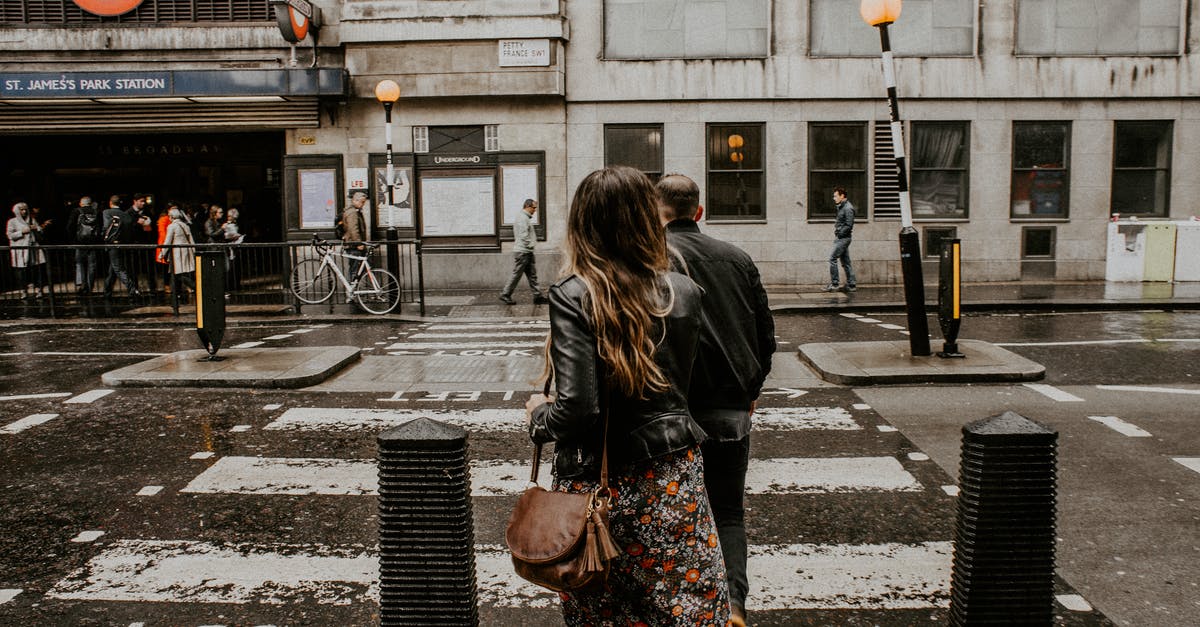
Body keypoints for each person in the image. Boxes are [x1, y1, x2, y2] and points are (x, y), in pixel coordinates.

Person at [524, 166, 730, 625]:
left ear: (582, 225)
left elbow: (578, 407)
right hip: (672, 477)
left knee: (604, 608)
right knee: (685, 603)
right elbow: (703, 381)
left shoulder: (575, 294)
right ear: (645, 219)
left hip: (599, 491)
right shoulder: (684, 291)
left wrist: (539, 417)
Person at [657, 173, 776, 626]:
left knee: (674, 512)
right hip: (731, 406)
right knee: (727, 511)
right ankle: (733, 607)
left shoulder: (653, 260)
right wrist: (751, 392)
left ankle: (681, 607)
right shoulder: (737, 258)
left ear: (656, 212)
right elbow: (765, 334)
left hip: (675, 411)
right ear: (699, 212)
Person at [499, 198, 548, 305]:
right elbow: (523, 236)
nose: (535, 210)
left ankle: (537, 296)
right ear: (527, 206)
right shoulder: (522, 218)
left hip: (526, 251)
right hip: (523, 252)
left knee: (532, 275)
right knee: (517, 274)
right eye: (534, 207)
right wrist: (530, 245)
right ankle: (505, 294)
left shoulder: (525, 218)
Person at [7, 202, 48, 299]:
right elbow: (10, 235)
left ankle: (39, 290)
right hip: (20, 250)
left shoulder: (32, 219)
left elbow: (40, 231)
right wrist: (22, 232)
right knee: (22, 271)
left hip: (33, 248)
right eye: (21, 209)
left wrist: (37, 228)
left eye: (25, 209)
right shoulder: (12, 221)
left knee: (37, 269)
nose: (24, 211)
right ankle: (23, 291)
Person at [102, 195, 139, 298]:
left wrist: (104, 237)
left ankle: (132, 289)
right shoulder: (126, 215)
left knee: (118, 268)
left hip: (112, 244)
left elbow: (106, 227)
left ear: (110, 203)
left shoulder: (107, 212)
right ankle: (107, 290)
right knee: (113, 268)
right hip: (123, 244)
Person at [823, 187, 857, 292]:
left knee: (832, 258)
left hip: (843, 238)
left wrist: (839, 233)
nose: (834, 198)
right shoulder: (842, 207)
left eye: (835, 196)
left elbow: (849, 224)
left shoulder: (848, 208)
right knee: (846, 261)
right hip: (843, 238)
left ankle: (835, 283)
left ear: (842, 196)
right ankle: (851, 284)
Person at [158, 206, 196, 301]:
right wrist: (194, 251)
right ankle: (176, 294)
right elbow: (191, 240)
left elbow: (167, 241)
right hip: (186, 251)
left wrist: (162, 253)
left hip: (177, 253)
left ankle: (195, 287)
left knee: (178, 274)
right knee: (178, 274)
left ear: (171, 217)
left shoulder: (172, 227)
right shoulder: (185, 225)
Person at [66, 196, 101, 293]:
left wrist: (73, 240)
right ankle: (90, 287)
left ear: (81, 203)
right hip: (93, 243)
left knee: (79, 263)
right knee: (92, 265)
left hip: (80, 242)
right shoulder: (96, 212)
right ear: (90, 203)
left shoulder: (77, 211)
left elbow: (70, 227)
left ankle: (82, 285)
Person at [128, 193, 156, 295]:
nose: (143, 203)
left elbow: (153, 228)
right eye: (141, 201)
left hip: (146, 243)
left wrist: (149, 226)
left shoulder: (147, 212)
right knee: (133, 268)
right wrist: (136, 223)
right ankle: (134, 288)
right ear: (135, 201)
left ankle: (152, 288)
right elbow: (127, 227)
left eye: (144, 201)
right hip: (134, 244)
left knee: (149, 267)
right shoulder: (129, 213)